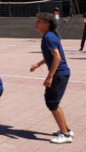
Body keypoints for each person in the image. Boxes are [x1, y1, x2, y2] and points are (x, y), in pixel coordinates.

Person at [30, 12, 73, 144]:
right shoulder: (49, 36)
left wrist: (50, 76)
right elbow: (52, 55)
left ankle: (65, 135)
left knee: (52, 103)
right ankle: (66, 129)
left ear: (46, 25)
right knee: (54, 102)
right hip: (61, 73)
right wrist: (38, 64)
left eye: (39, 21)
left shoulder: (48, 37)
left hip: (59, 74)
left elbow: (57, 57)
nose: (36, 23)